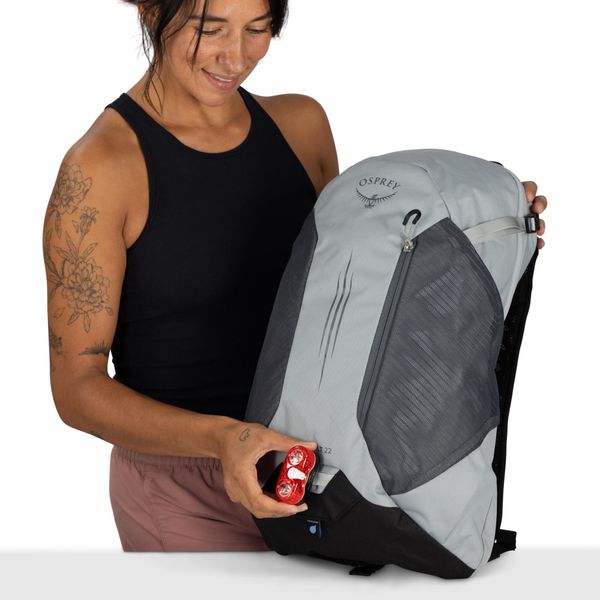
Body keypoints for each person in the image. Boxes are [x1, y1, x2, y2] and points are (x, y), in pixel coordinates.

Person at [43, 0, 547, 553]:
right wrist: (223, 438)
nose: (235, 56)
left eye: (258, 29)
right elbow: (77, 389)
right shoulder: (100, 169)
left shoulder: (301, 125)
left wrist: (490, 231)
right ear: (149, 10)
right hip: (183, 490)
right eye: (210, 29)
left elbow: (357, 281)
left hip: (319, 470)